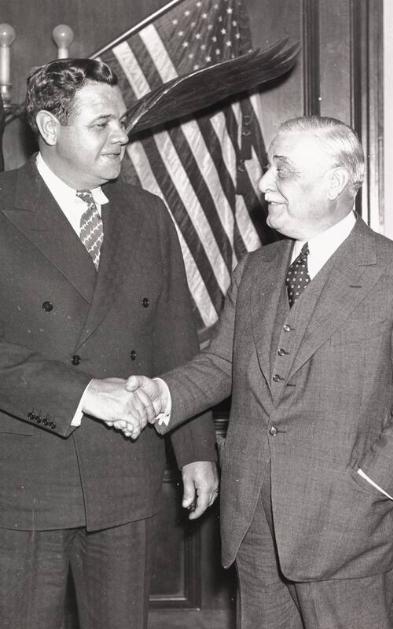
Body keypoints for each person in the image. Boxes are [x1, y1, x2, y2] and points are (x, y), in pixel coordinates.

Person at [128, 116, 393, 629]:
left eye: (281, 170)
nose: (262, 184)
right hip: (252, 520)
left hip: (346, 525)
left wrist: (369, 490)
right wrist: (159, 393)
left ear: (334, 182)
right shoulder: (255, 270)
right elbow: (220, 365)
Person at [0, 58, 218, 629]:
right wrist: (83, 392)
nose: (122, 135)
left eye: (122, 121)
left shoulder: (147, 213)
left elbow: (176, 336)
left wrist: (195, 449)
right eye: (102, 124)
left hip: (125, 472)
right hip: (25, 481)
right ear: (49, 129)